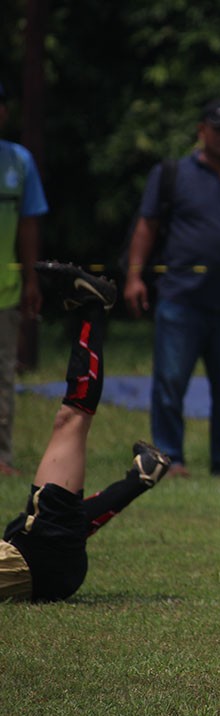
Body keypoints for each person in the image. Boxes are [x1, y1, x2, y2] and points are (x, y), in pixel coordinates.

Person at [123, 98, 220, 478]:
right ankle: (169, 459)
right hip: (180, 298)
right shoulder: (172, 174)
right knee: (169, 384)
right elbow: (147, 226)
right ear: (202, 130)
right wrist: (134, 277)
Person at [0, 261, 171, 603]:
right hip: (39, 557)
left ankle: (141, 478)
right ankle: (92, 307)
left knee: (69, 428)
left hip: (36, 556)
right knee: (72, 421)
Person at [0, 81, 46, 476]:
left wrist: (32, 280)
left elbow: (29, 223)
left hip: (5, 292)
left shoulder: (19, 161)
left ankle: (1, 457)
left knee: (2, 378)